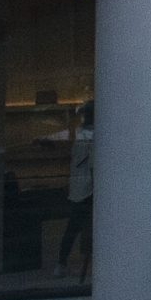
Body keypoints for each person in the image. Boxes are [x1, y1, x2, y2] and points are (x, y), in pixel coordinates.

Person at [59, 99, 95, 281]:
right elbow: (94, 166)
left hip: (78, 188)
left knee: (73, 227)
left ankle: (61, 263)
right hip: (88, 190)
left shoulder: (82, 135)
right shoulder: (91, 137)